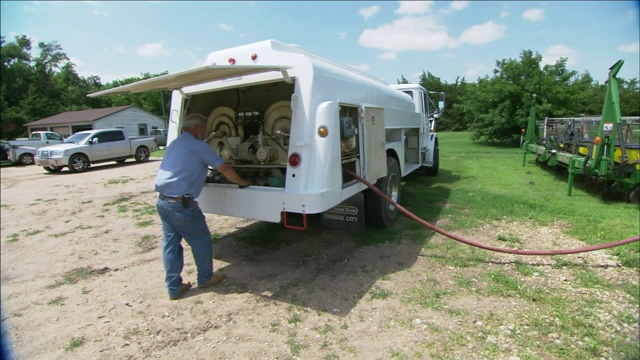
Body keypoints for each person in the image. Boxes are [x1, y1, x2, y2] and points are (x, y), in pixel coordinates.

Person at [154, 113, 250, 300]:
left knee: (171, 244)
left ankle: (174, 287)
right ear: (197, 129)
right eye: (204, 129)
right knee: (201, 239)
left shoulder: (175, 143)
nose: (206, 133)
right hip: (181, 204)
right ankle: (205, 277)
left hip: (163, 201)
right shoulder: (198, 146)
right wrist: (242, 182)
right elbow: (224, 168)